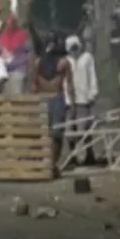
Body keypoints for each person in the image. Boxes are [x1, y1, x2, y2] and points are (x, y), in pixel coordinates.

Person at [30, 26, 75, 173]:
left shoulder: (60, 62)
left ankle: (50, 164)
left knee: (54, 133)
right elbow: (35, 84)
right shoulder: (57, 62)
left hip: (51, 98)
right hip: (50, 99)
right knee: (50, 133)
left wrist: (71, 103)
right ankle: (47, 163)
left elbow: (69, 84)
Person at [64, 34, 99, 165]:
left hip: (84, 100)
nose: (74, 49)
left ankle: (89, 154)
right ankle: (72, 156)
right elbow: (64, 81)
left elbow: (92, 76)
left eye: (75, 46)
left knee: (84, 129)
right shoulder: (66, 60)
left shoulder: (87, 58)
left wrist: (92, 93)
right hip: (69, 101)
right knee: (69, 130)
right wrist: (66, 98)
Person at [0, 14, 29, 94]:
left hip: (18, 71)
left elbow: (28, 49)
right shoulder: (1, 37)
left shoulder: (22, 35)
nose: (9, 26)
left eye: (11, 24)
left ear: (15, 24)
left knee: (17, 96)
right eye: (7, 24)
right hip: (4, 72)